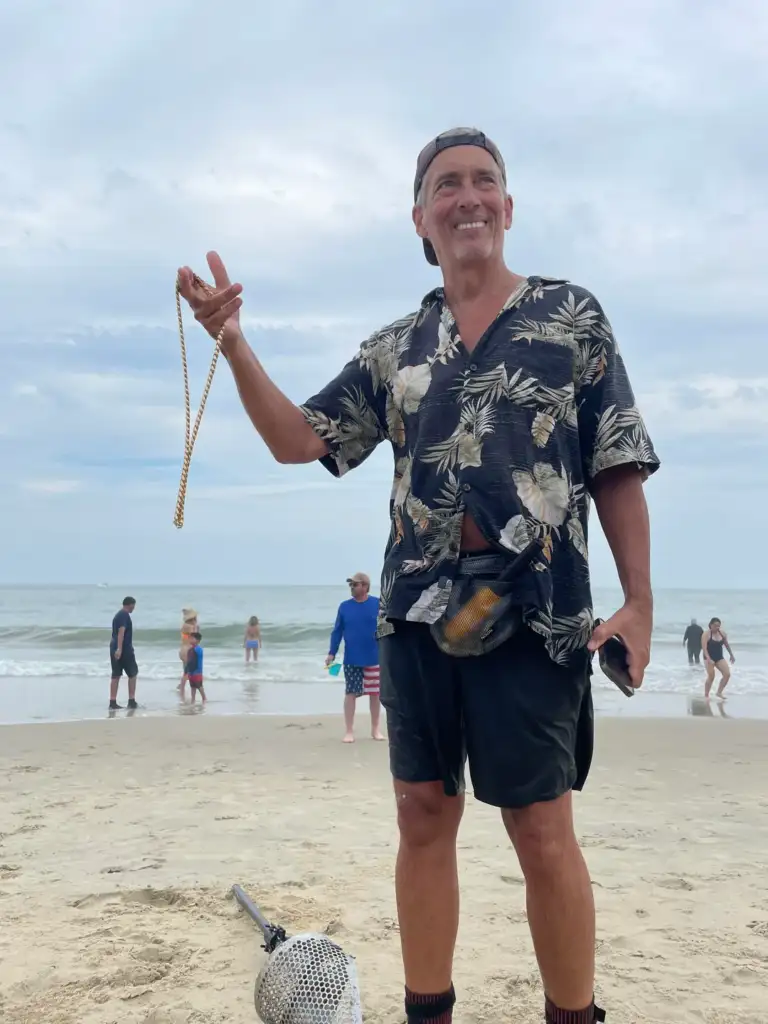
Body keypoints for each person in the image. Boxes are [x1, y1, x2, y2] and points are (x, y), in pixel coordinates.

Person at [178, 126, 661, 1024]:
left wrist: (637, 603)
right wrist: (235, 343)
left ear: (509, 209)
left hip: (537, 609)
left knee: (543, 832)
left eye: (485, 182)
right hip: (416, 614)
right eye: (447, 186)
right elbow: (300, 440)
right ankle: (427, 1014)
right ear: (420, 220)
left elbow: (617, 465)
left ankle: (573, 1015)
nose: (468, 197)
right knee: (423, 820)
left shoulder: (571, 317)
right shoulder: (396, 347)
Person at [324, 572, 384, 743]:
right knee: (350, 693)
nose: (352, 587)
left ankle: (375, 729)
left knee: (375, 694)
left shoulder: (377, 604)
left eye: (355, 584)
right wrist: (331, 653)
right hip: (352, 658)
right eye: (350, 585)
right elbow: (337, 632)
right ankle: (349, 731)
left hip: (374, 657)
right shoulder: (344, 607)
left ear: (365, 586)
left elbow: (386, 628)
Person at [109, 596, 138, 710]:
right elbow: (121, 632)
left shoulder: (118, 615)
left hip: (114, 647)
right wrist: (120, 649)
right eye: (133, 605)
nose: (134, 608)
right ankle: (131, 701)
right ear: (129, 604)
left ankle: (112, 702)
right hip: (124, 649)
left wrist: (115, 648)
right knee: (133, 673)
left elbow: (116, 634)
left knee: (116, 675)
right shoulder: (124, 615)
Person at [702, 617, 735, 699]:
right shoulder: (706, 634)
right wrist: (709, 659)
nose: (717, 627)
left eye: (718, 626)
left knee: (727, 674)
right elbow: (704, 648)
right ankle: (706, 695)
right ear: (710, 625)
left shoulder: (722, 633)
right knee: (711, 676)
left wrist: (731, 654)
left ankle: (719, 693)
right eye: (715, 626)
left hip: (719, 657)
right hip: (708, 657)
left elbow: (726, 645)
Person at [178, 609, 199, 699]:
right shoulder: (190, 627)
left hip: (183, 649)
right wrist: (196, 628)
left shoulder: (184, 626)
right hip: (188, 651)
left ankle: (181, 686)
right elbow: (195, 639)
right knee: (188, 671)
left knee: (186, 670)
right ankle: (182, 688)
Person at [185, 631, 206, 703]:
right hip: (191, 672)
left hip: (197, 671)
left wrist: (192, 669)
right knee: (192, 686)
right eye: (189, 638)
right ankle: (193, 700)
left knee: (199, 686)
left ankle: (204, 698)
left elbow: (195, 660)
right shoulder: (190, 650)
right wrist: (186, 671)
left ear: (197, 640)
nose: (190, 640)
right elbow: (188, 661)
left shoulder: (198, 649)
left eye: (192, 638)